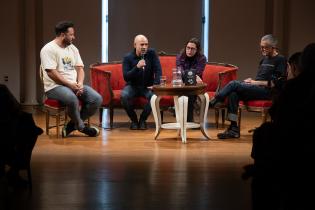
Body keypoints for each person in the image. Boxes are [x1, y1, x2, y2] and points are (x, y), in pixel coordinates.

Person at [243, 44, 315, 210]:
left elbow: (277, 115)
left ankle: (261, 171)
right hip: (302, 137)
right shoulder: (267, 63)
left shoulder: (295, 85)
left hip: (295, 139)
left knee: (263, 132)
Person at [210, 34, 287, 139]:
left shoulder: (281, 60)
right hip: (258, 89)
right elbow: (259, 80)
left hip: (269, 92)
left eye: (264, 47)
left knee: (234, 83)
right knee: (233, 94)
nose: (262, 49)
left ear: (273, 47)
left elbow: (275, 83)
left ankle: (214, 101)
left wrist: (254, 83)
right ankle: (234, 129)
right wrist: (251, 82)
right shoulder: (263, 60)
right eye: (261, 47)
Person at [40, 20, 102, 137]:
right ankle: (81, 127)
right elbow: (51, 73)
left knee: (96, 99)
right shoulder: (48, 49)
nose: (74, 37)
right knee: (72, 99)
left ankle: (71, 125)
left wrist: (80, 84)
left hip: (73, 85)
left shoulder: (72, 48)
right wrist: (70, 85)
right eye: (71, 34)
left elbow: (80, 68)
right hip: (54, 87)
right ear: (63, 35)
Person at [0, 84, 43, 188]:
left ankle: (11, 173)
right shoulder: (23, 117)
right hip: (13, 150)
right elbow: (37, 131)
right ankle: (13, 173)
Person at [121, 34, 162, 130]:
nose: (144, 47)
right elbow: (126, 77)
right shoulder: (128, 57)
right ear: (135, 45)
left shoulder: (151, 53)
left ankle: (143, 120)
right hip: (133, 86)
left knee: (154, 97)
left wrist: (155, 85)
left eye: (146, 44)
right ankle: (134, 120)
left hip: (147, 86)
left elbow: (158, 70)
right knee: (124, 96)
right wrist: (137, 67)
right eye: (142, 44)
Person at [176, 37, 207, 122]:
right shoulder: (180, 56)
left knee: (189, 93)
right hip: (183, 83)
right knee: (185, 92)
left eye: (192, 49)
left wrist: (190, 74)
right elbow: (180, 71)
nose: (189, 50)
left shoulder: (202, 58)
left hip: (195, 84)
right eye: (188, 48)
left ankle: (186, 120)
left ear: (197, 50)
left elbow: (197, 73)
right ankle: (187, 121)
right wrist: (189, 74)